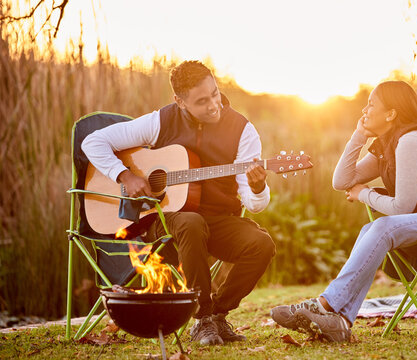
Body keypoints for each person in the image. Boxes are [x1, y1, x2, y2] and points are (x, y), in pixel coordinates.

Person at [270, 80, 417, 342]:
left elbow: (402, 208)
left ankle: (324, 306)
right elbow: (341, 181)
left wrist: (365, 194)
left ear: (391, 113)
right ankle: (340, 321)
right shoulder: (388, 144)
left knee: (382, 226)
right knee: (371, 229)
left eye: (371, 104)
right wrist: (359, 136)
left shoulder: (413, 139)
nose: (364, 110)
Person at [82, 60, 276, 346]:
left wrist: (258, 186)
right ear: (180, 101)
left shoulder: (243, 131)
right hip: (165, 220)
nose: (214, 105)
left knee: (262, 244)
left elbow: (254, 202)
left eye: (215, 93)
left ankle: (216, 316)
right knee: (190, 221)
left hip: (219, 220)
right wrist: (125, 176)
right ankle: (201, 319)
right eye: (201, 101)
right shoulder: (160, 121)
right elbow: (93, 142)